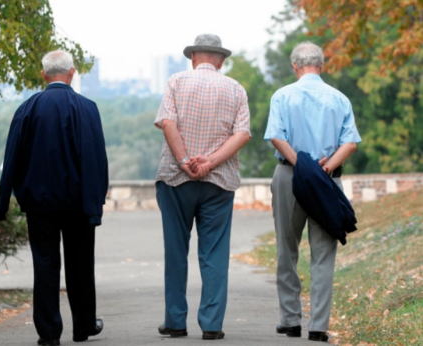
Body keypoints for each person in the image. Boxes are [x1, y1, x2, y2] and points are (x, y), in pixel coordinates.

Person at [0, 51, 108, 346]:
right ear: (72, 73)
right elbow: (98, 157)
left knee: (45, 265)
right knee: (81, 264)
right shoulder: (87, 108)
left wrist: (6, 198)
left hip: (39, 204)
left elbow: (13, 157)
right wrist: (98, 199)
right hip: (78, 202)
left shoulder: (27, 108)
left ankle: (49, 334)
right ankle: (83, 326)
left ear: (43, 74)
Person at [154, 34, 251, 340]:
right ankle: (211, 325)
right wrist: (208, 162)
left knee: (175, 251)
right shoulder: (235, 88)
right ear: (220, 61)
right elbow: (242, 135)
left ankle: (175, 321)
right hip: (219, 183)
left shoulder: (175, 82)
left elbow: (167, 122)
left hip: (175, 179)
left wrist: (185, 161)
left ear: (193, 57)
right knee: (214, 254)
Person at [264, 42, 361, 342]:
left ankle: (290, 320)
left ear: (295, 66)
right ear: (322, 65)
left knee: (286, 250)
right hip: (327, 180)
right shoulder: (339, 98)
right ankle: (318, 327)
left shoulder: (282, 96)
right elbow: (351, 143)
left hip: (290, 176)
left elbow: (276, 138)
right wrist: (325, 167)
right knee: (323, 255)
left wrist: (302, 165)